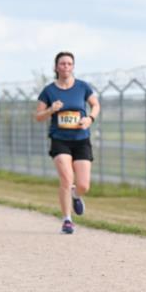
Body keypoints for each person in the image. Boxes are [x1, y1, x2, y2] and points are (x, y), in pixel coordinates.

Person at [35, 51, 100, 234]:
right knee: (66, 178)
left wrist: (90, 119)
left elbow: (95, 105)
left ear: (73, 67)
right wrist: (50, 110)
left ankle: (76, 195)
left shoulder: (82, 87)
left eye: (69, 64)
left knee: (83, 184)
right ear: (56, 67)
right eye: (62, 64)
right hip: (60, 140)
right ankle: (67, 220)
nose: (66, 67)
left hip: (81, 139)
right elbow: (38, 116)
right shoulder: (49, 90)